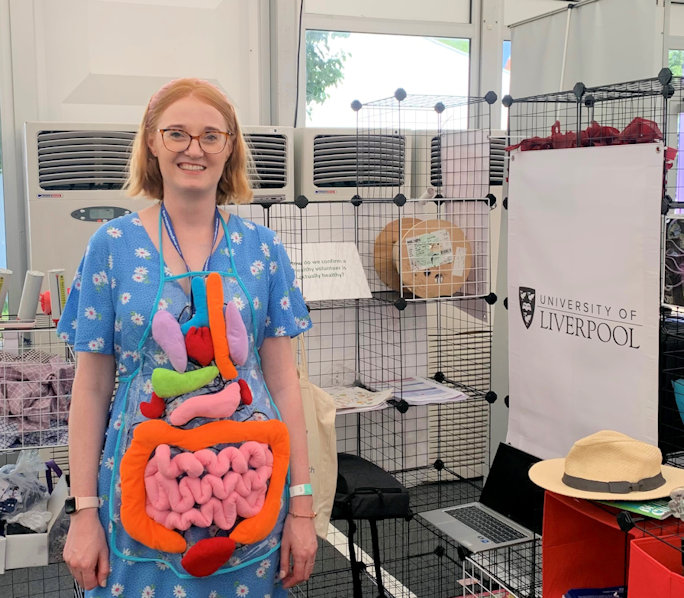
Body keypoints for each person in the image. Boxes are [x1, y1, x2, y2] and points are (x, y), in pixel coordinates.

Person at [57, 78, 317, 597]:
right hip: (140, 483)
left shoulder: (262, 250)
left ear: (230, 146)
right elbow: (88, 390)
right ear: (151, 141)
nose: (193, 149)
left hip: (248, 481)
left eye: (210, 135)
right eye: (177, 133)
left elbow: (285, 384)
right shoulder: (111, 246)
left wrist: (304, 507)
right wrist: (83, 512)